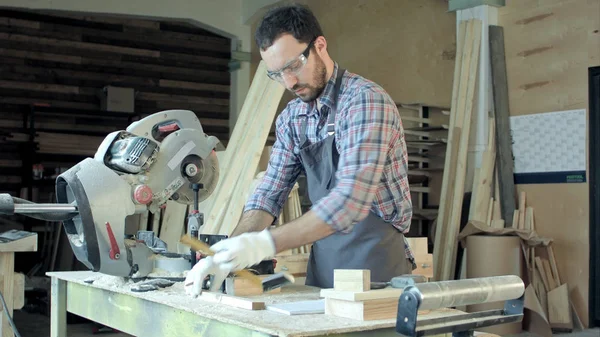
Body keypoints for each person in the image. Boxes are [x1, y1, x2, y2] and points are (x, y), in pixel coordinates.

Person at [184, 4, 414, 297]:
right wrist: (230, 251)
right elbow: (269, 194)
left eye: (293, 66)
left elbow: (349, 203)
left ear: (320, 45)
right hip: (324, 265)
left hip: (377, 266)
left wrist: (264, 244)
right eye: (277, 74)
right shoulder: (293, 118)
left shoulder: (364, 102)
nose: (289, 82)